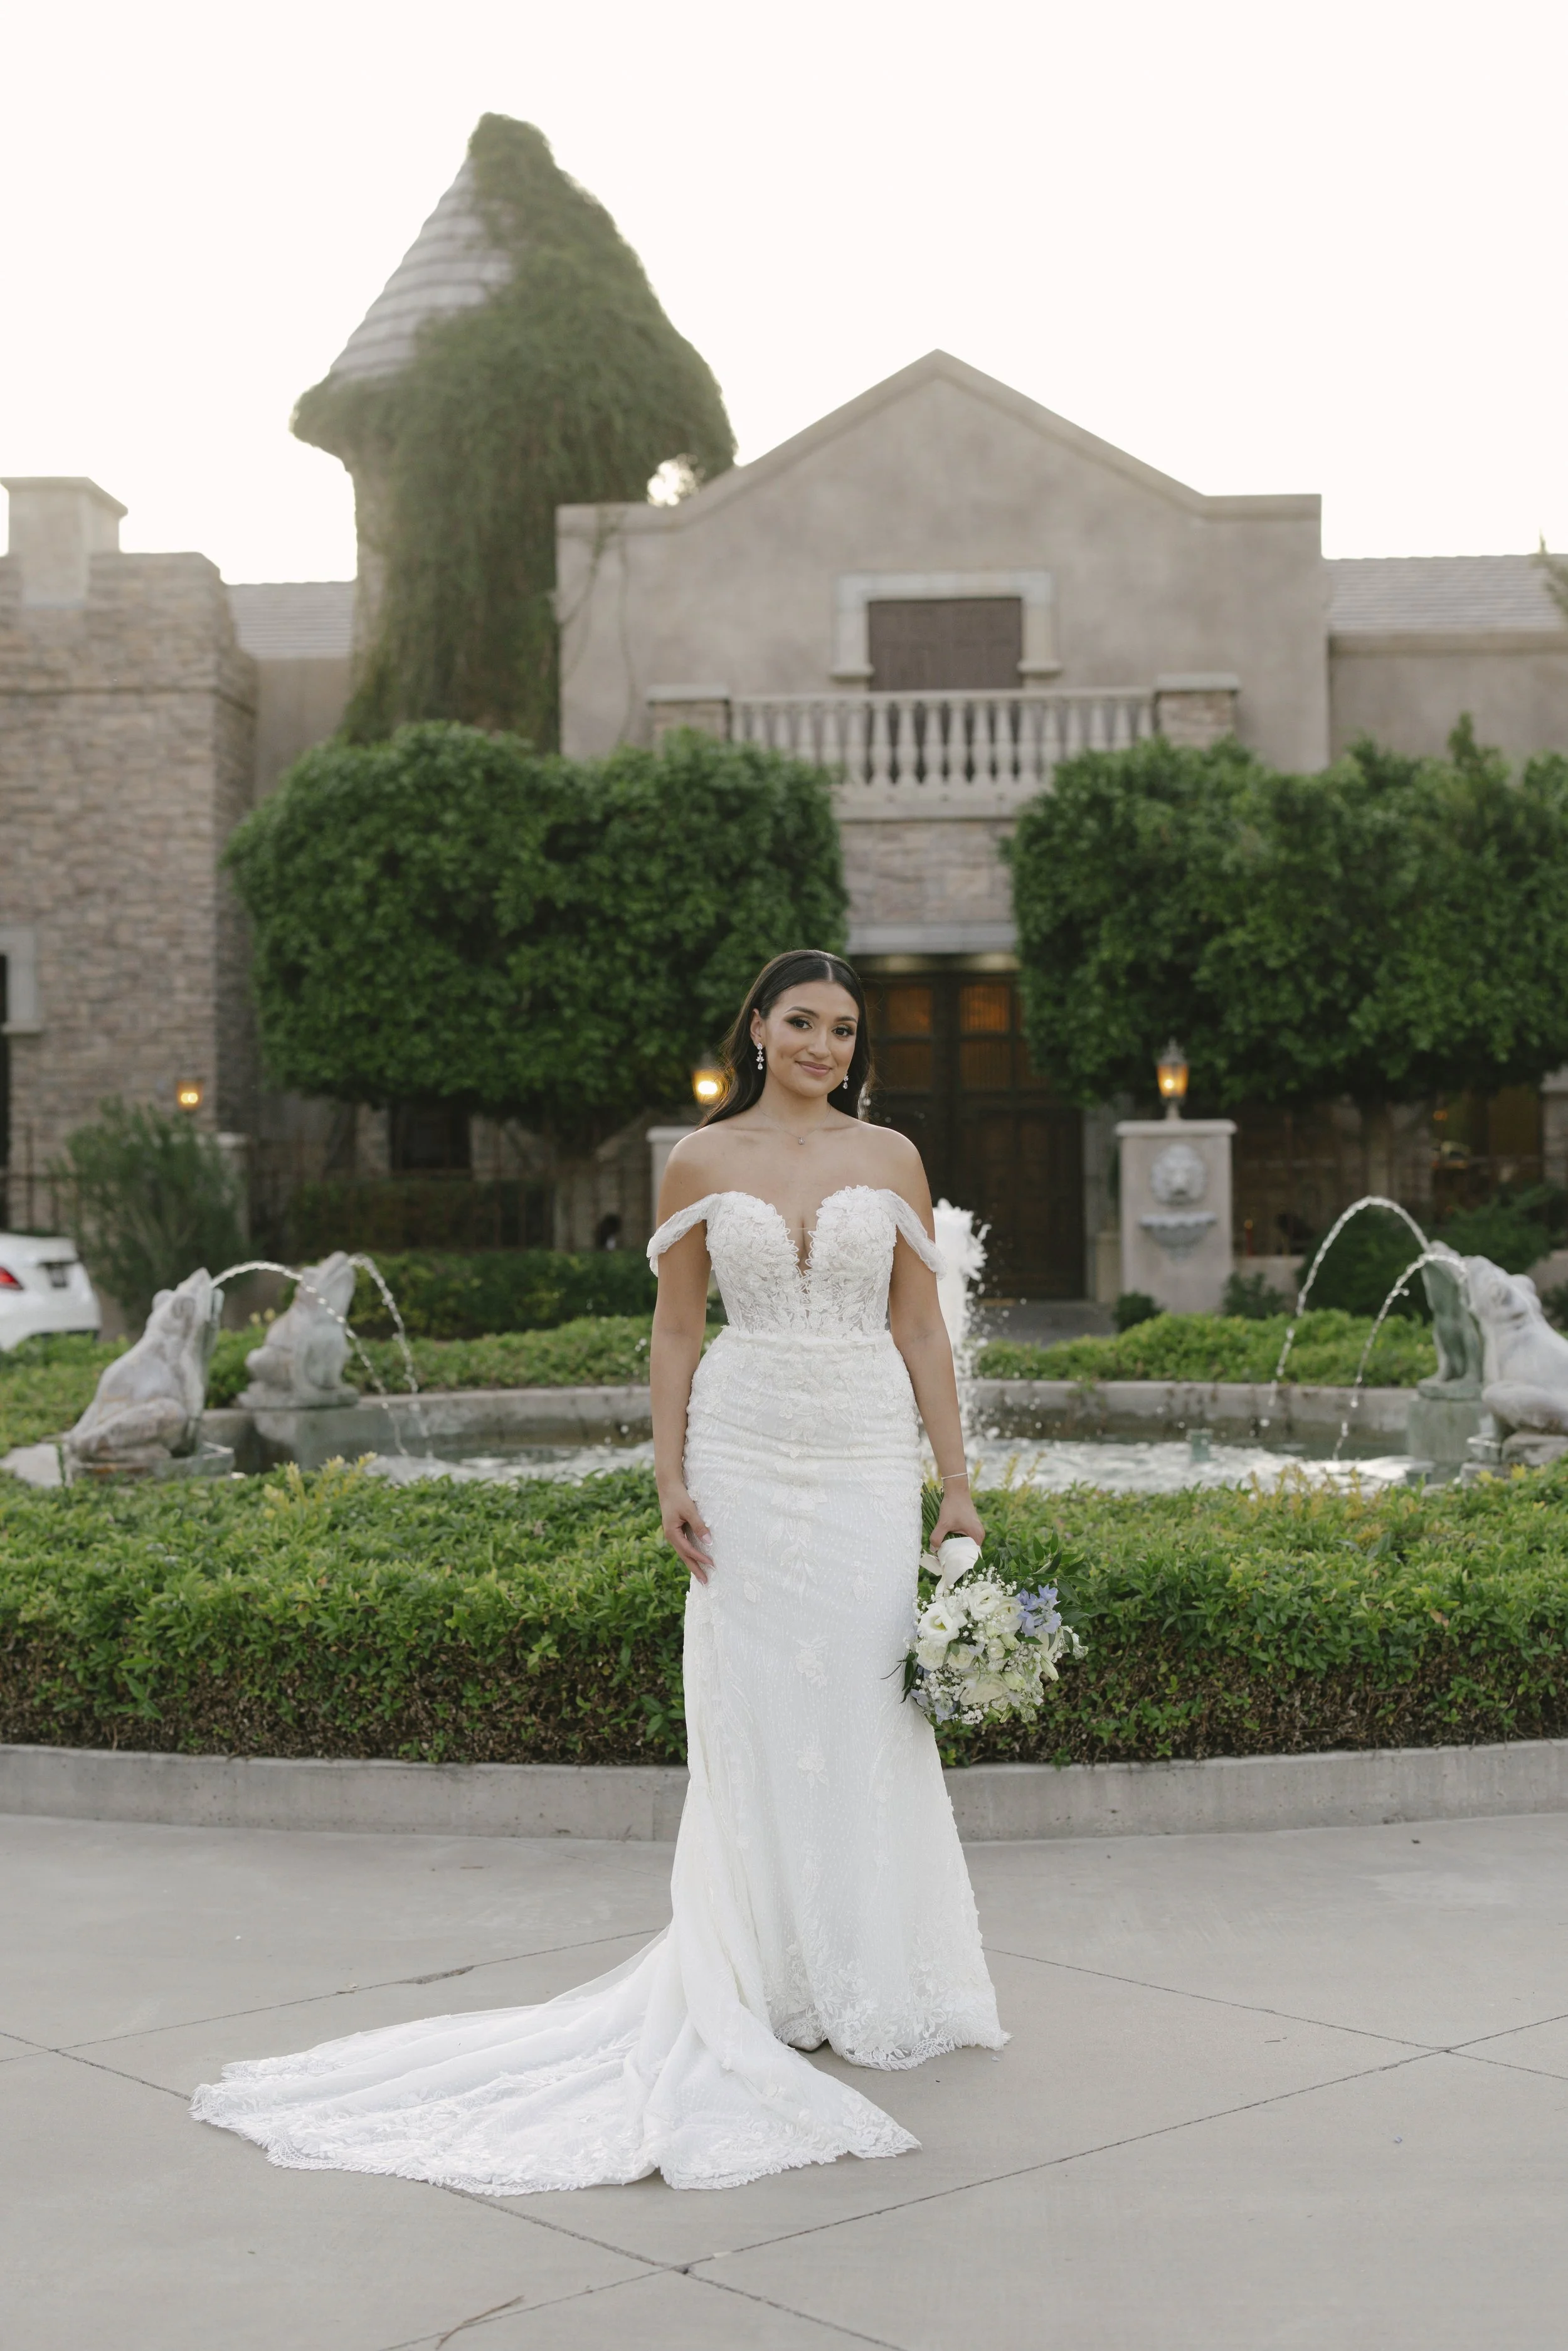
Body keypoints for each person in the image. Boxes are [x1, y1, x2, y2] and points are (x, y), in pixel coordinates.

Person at [191, 948, 1002, 2194]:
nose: (822, 1046)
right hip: (738, 1444)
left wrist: (952, 1479)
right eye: (800, 1021)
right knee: (754, 1711)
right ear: (755, 1026)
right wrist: (667, 1473)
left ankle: (874, 1971)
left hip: (851, 1450)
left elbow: (914, 1327)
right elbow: (677, 1325)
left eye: (842, 1029)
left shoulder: (889, 1158)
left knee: (857, 1701)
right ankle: (765, 1973)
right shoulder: (696, 1158)